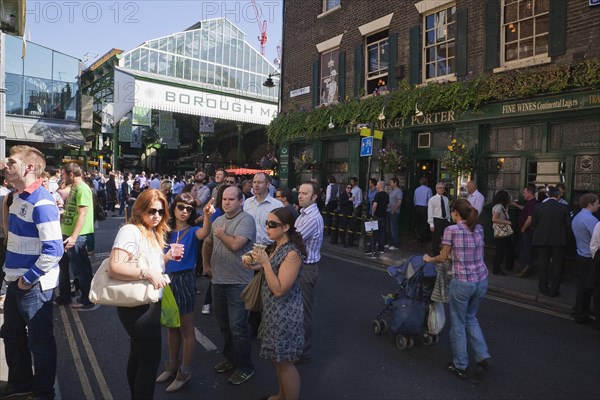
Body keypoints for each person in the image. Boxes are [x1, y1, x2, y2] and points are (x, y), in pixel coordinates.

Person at [0, 145, 64, 399]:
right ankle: (21, 383)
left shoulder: (42, 201)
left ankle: (43, 392)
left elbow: (54, 250)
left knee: (40, 342)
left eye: (11, 161)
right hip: (16, 280)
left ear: (28, 167)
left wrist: (27, 279)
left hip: (32, 285)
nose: (6, 164)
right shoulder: (16, 196)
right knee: (12, 335)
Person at [108, 189, 174, 400]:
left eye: (161, 212)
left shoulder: (152, 231)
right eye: (151, 211)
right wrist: (146, 272)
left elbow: (152, 265)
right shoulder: (130, 231)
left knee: (138, 356)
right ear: (139, 209)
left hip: (149, 302)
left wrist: (167, 257)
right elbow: (114, 267)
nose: (156, 216)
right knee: (150, 362)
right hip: (137, 306)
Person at [423, 199, 491, 379]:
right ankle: (483, 355)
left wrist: (429, 259)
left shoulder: (451, 230)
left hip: (462, 282)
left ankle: (460, 365)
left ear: (454, 212)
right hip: (481, 280)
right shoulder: (479, 228)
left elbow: (443, 257)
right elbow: (472, 251)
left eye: (452, 212)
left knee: (458, 323)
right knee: (471, 317)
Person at [244, 207, 306, 400]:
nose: (267, 228)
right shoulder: (276, 246)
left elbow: (279, 289)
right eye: (266, 224)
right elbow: (269, 272)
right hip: (272, 312)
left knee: (285, 362)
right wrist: (253, 263)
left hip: (284, 314)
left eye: (273, 224)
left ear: (286, 227)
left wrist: (265, 263)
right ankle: (281, 395)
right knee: (278, 360)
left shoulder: (292, 254)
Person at [155, 193, 214, 391]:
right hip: (166, 280)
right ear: (174, 208)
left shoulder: (192, 231)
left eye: (188, 209)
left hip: (184, 279)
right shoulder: (165, 231)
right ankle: (172, 365)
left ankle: (185, 371)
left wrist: (206, 215)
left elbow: (205, 233)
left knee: (186, 329)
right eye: (181, 207)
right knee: (172, 326)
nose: (184, 212)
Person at [204, 186, 257, 385]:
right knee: (224, 326)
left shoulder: (246, 220)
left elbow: (236, 245)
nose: (226, 202)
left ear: (241, 201)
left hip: (238, 282)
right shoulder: (218, 221)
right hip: (217, 281)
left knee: (238, 328)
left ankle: (245, 367)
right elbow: (207, 243)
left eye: (231, 199)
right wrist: (207, 264)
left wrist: (221, 234)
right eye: (224, 199)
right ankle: (230, 359)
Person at [55, 163, 96, 309]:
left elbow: (82, 214)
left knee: (81, 269)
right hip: (67, 233)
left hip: (77, 236)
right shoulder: (74, 188)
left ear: (71, 174)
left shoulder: (83, 189)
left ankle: (87, 299)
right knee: (63, 266)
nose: (62, 177)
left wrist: (73, 236)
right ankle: (64, 296)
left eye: (63, 174)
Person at [294, 181, 324, 364]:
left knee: (304, 311)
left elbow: (294, 239)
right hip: (299, 266)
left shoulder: (312, 218)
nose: (300, 195)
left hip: (306, 268)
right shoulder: (303, 213)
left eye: (305, 193)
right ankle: (297, 346)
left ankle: (303, 351)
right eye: (299, 192)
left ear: (314, 197)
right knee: (296, 308)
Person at [531, 187, 571, 297]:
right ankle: (554, 290)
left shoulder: (539, 207)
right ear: (558, 196)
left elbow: (533, 223)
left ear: (548, 196)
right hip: (558, 241)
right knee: (557, 266)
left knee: (543, 264)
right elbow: (568, 226)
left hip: (542, 239)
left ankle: (543, 287)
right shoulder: (564, 207)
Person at [571, 194, 600, 324]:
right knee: (590, 288)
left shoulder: (577, 217)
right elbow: (596, 240)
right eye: (597, 203)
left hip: (581, 255)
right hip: (590, 258)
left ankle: (580, 313)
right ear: (590, 204)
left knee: (582, 286)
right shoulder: (591, 220)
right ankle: (582, 314)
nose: (599, 205)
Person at [512, 184, 537, 278]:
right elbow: (525, 209)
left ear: (530, 193)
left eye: (524, 192)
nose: (523, 195)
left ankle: (526, 267)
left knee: (523, 249)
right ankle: (525, 267)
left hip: (527, 232)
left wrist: (523, 229)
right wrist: (516, 205)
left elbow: (530, 219)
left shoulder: (532, 204)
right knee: (522, 249)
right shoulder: (531, 203)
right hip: (526, 231)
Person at [491, 190, 514, 275]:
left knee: (507, 248)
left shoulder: (501, 207)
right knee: (500, 250)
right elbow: (494, 219)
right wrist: (507, 222)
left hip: (503, 232)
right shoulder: (498, 207)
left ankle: (506, 266)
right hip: (501, 231)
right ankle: (497, 269)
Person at [427, 182, 451, 256]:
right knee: (436, 239)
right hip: (437, 220)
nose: (442, 189)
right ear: (436, 189)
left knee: (447, 239)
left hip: (445, 220)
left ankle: (445, 254)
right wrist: (431, 224)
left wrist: (449, 219)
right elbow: (430, 212)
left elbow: (447, 210)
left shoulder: (446, 199)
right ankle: (435, 255)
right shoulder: (432, 199)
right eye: (440, 188)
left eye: (443, 188)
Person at [371, 181, 389, 253]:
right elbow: (387, 205)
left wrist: (372, 213)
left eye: (377, 185)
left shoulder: (377, 195)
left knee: (375, 233)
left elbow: (374, 205)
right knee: (382, 232)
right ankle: (381, 248)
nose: (376, 186)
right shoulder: (387, 195)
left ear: (381, 186)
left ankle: (373, 249)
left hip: (377, 215)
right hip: (384, 215)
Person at [414, 177, 433, 242]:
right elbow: (430, 199)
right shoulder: (428, 189)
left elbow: (414, 199)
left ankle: (418, 235)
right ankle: (423, 236)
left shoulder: (417, 189)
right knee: (424, 223)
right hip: (425, 207)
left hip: (417, 207)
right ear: (426, 182)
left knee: (418, 222)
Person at [387, 177, 403, 250]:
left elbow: (399, 202)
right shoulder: (392, 191)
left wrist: (394, 210)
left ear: (395, 183)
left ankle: (396, 245)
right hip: (389, 211)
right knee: (389, 228)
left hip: (394, 212)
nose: (390, 183)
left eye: (391, 182)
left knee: (394, 229)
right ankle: (390, 243)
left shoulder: (398, 191)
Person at [347, 177, 363, 247]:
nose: (352, 183)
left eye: (353, 182)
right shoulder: (350, 189)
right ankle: (350, 235)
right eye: (351, 181)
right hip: (350, 206)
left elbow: (360, 199)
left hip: (355, 206)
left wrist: (356, 206)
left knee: (355, 221)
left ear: (356, 182)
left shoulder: (358, 189)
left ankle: (355, 236)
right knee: (350, 221)